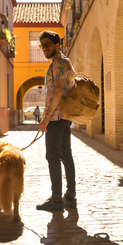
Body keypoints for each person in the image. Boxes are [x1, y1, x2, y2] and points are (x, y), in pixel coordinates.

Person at [36, 30, 77, 211]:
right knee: (65, 156)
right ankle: (69, 197)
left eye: (48, 45)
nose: (44, 48)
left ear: (57, 45)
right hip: (63, 117)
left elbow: (59, 91)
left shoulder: (60, 63)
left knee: (53, 157)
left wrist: (45, 118)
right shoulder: (59, 62)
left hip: (56, 118)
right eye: (42, 45)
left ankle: (57, 200)